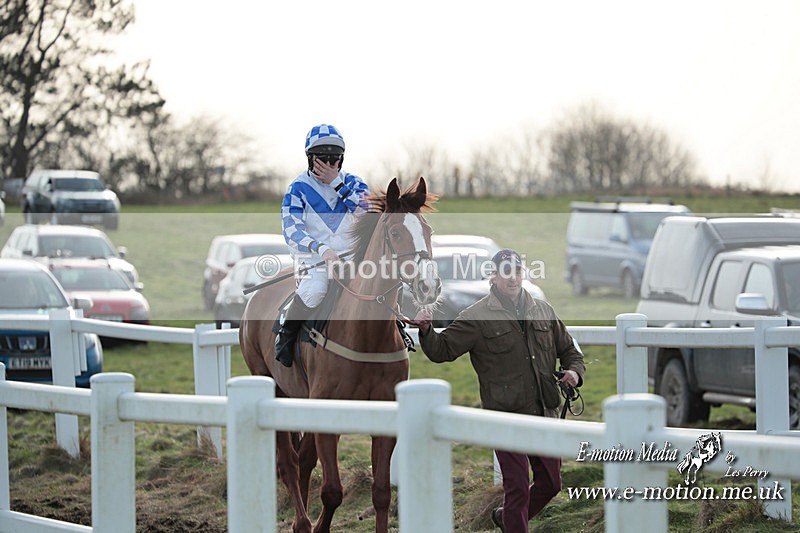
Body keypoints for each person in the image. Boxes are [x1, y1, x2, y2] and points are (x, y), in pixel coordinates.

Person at [413, 248, 586, 533]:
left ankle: (507, 518)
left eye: (517, 272)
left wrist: (574, 373)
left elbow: (570, 350)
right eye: (505, 273)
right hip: (503, 417)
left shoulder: (543, 310)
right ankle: (514, 522)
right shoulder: (476, 316)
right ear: (492, 277)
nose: (512, 278)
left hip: (544, 411)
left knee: (551, 484)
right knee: (517, 487)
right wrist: (427, 330)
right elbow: (442, 351)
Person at [275, 124, 370, 367]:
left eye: (334, 158)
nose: (328, 165)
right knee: (315, 290)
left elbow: (367, 213)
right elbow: (291, 229)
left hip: (352, 258)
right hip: (314, 257)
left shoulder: (354, 182)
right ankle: (285, 336)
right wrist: (321, 249)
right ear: (310, 158)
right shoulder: (298, 189)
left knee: (374, 286)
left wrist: (337, 184)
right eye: (322, 158)